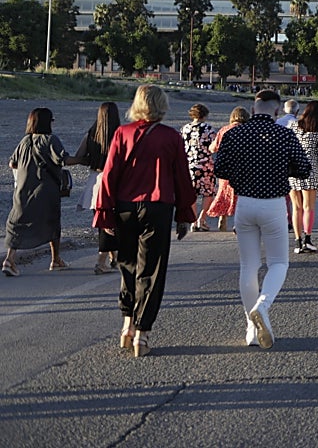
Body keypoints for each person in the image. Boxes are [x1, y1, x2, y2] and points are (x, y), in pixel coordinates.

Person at [94, 86, 196, 356]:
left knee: (127, 264)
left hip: (126, 206)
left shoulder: (122, 133)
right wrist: (184, 214)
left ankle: (127, 324)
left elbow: (109, 175)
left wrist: (104, 210)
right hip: (159, 206)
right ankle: (142, 333)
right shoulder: (171, 137)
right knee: (152, 269)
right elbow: (181, 178)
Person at [213, 89, 310, 349]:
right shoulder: (285, 135)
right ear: (277, 111)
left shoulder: (235, 134)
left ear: (253, 108)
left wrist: (241, 171)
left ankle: (251, 329)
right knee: (278, 262)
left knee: (249, 266)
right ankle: (263, 305)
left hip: (244, 203)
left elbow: (219, 168)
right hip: (274, 203)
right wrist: (281, 167)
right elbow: (304, 169)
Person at [5, 108, 82, 277]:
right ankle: (55, 260)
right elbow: (64, 160)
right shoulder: (50, 140)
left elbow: (12, 164)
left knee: (18, 222)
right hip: (46, 190)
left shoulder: (24, 141)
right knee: (52, 222)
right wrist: (82, 157)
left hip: (24, 189)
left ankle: (10, 258)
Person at [75, 101, 121, 274]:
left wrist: (93, 159)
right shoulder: (120, 135)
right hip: (115, 182)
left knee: (103, 222)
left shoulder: (92, 134)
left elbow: (80, 156)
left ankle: (113, 257)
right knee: (109, 223)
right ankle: (101, 262)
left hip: (95, 182)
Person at [288, 100, 318, 254]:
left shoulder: (294, 125)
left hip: (293, 169)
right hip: (310, 169)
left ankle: (298, 242)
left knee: (296, 208)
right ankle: (308, 239)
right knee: (308, 207)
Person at [207, 106, 248, 230]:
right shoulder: (247, 130)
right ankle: (237, 223)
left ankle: (222, 218)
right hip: (242, 167)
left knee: (224, 193)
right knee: (241, 195)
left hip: (226, 167)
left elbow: (213, 148)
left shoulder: (224, 129)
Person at [180, 103, 218, 232]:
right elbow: (214, 147)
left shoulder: (185, 128)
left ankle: (194, 220)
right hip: (205, 164)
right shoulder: (208, 129)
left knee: (192, 194)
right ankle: (202, 218)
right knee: (208, 193)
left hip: (190, 165)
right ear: (205, 115)